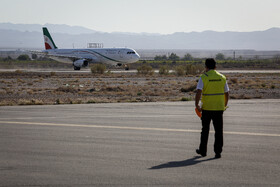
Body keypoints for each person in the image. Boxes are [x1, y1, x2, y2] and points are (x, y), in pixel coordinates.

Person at [195, 58, 229, 159]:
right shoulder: (222, 77)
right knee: (219, 131)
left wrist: (197, 104)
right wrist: (224, 105)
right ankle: (218, 152)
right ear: (215, 66)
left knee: (205, 130)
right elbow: (227, 92)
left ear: (206, 67)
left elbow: (198, 92)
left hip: (207, 108)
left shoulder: (204, 77)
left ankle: (203, 151)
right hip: (219, 108)